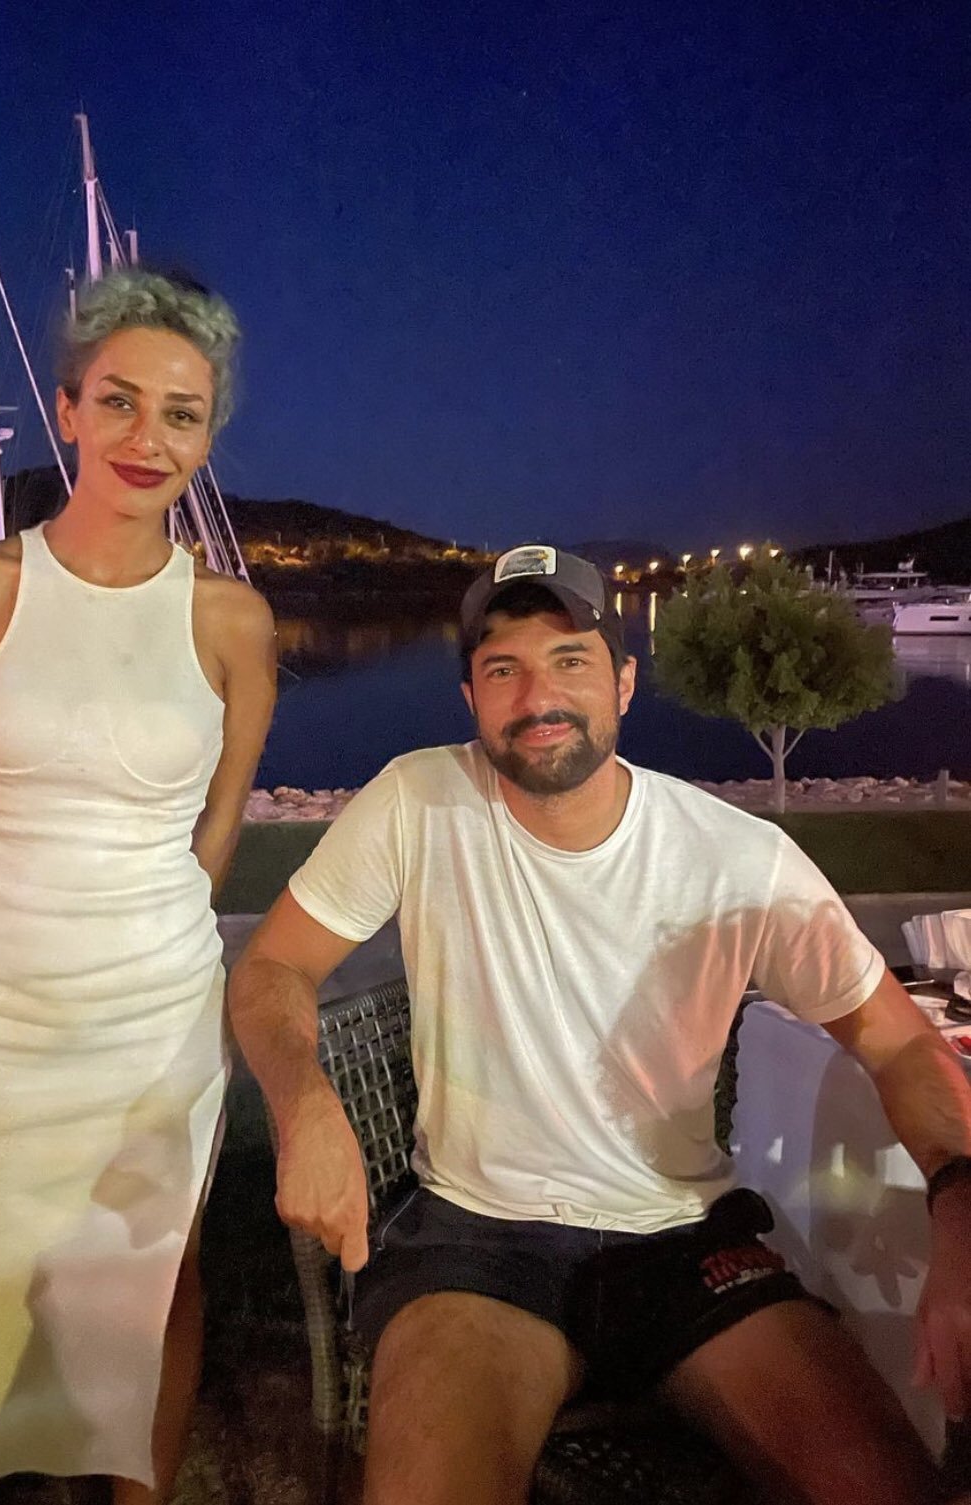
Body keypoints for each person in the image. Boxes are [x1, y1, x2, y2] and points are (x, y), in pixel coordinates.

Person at [229, 543, 971, 1505]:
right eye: (503, 668)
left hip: (684, 1240)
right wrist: (304, 1104)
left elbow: (898, 1038)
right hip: (477, 1240)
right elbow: (272, 966)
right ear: (470, 698)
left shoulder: (737, 857)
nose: (538, 695)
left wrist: (959, 1200)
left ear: (622, 681)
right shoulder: (418, 800)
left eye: (569, 659)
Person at [0, 268, 276, 1504]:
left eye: (182, 413)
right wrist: (36, 906)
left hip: (155, 1017)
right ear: (66, 408)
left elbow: (219, 823)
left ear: (208, 437)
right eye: (119, 400)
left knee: (153, 1285)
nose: (147, 437)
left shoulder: (231, 619)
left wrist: (142, 923)